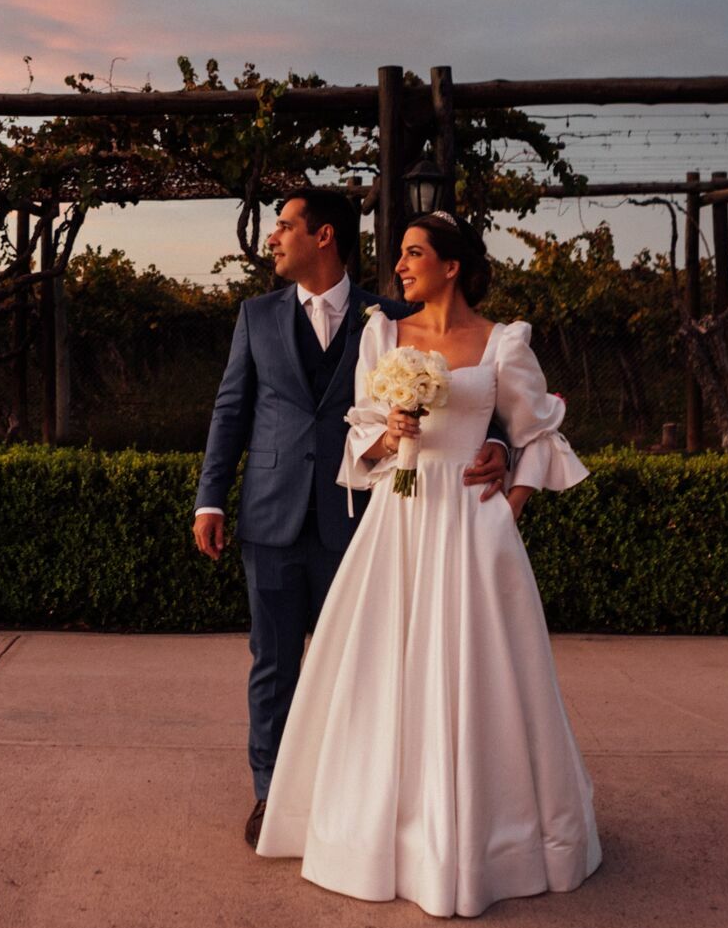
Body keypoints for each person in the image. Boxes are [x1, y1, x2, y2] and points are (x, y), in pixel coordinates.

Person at [253, 210, 601, 919]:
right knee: (386, 674)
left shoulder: (505, 343)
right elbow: (360, 440)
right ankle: (385, 837)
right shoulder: (383, 334)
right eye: (399, 254)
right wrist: (390, 435)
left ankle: (482, 841)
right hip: (400, 524)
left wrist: (512, 503)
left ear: (453, 265)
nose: (400, 266)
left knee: (478, 679)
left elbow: (539, 436)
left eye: (414, 254)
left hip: (474, 531)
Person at [194, 189, 510, 850]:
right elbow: (231, 411)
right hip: (271, 515)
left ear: (324, 235)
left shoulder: (393, 315)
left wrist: (500, 443)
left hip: (365, 520)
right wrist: (211, 498)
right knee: (274, 662)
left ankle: (353, 793)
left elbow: (479, 375)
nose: (273, 239)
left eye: (284, 226)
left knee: (365, 665)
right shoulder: (256, 316)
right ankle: (271, 793)